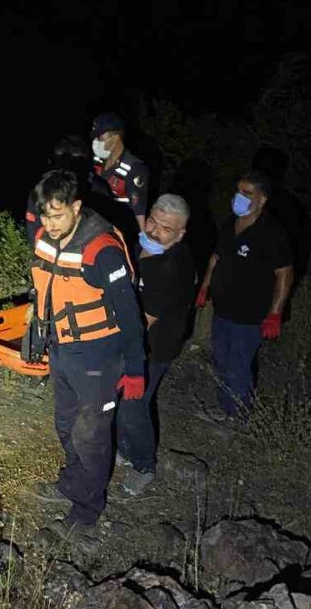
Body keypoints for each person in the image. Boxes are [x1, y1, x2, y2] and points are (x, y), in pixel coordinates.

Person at [29, 168, 146, 538]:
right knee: (66, 425)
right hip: (63, 349)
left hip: (99, 355)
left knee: (91, 435)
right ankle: (73, 483)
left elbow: (130, 315)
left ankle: (87, 511)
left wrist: (136, 368)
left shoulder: (102, 250)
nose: (50, 223)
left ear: (77, 207)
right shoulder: (46, 236)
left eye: (58, 214)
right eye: (45, 214)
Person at [114, 194, 197, 496]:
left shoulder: (172, 268)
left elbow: (143, 322)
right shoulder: (142, 245)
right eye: (152, 221)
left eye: (165, 228)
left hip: (154, 348)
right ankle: (123, 447)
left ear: (180, 234)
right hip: (130, 337)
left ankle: (144, 465)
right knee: (122, 401)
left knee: (132, 406)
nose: (154, 231)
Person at [195, 168, 294, 420]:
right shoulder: (230, 224)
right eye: (238, 191)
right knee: (221, 360)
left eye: (247, 193)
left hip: (250, 315)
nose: (240, 197)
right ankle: (224, 407)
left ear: (262, 199)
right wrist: (205, 287)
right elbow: (215, 257)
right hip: (223, 309)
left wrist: (275, 313)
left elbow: (285, 273)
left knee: (238, 366)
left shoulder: (272, 233)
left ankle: (238, 416)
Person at [89, 111, 149, 244]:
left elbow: (138, 211)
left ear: (115, 138)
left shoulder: (134, 168)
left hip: (120, 232)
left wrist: (141, 242)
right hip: (95, 225)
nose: (96, 142)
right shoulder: (97, 160)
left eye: (100, 138)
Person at [25, 135, 90, 249]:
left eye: (75, 160)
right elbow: (33, 235)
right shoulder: (40, 192)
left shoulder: (94, 189)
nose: (65, 166)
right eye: (61, 159)